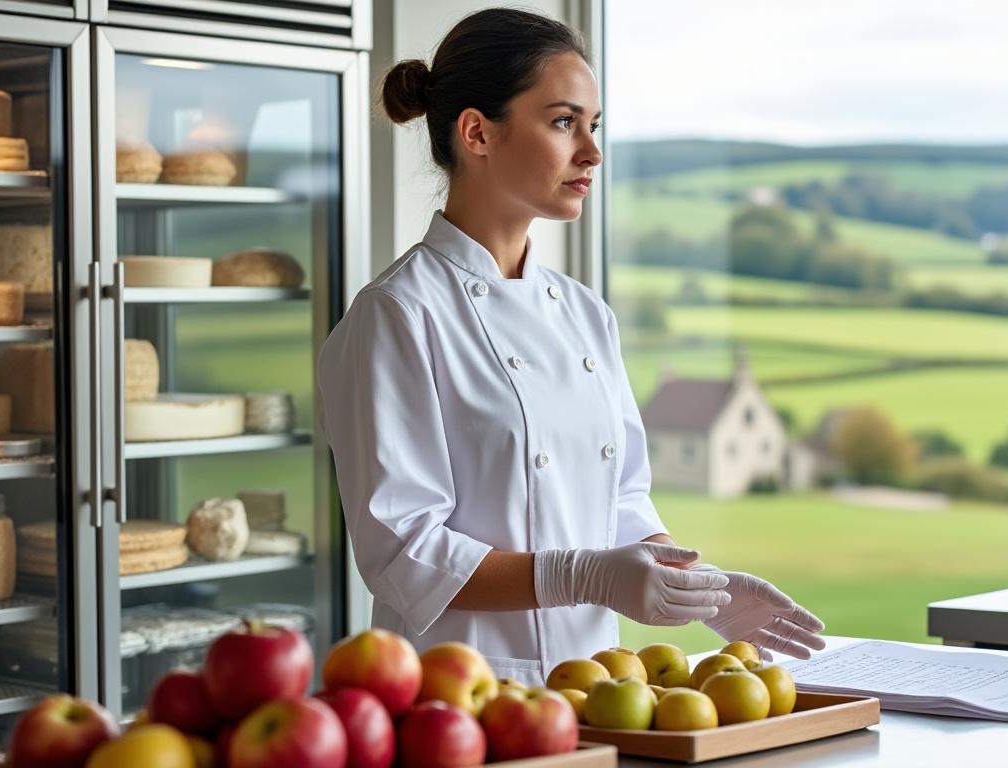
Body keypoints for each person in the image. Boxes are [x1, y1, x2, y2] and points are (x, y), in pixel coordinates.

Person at [318, 7, 824, 686]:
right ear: (477, 133)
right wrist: (584, 573)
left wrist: (701, 586)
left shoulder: (585, 315)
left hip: (596, 689)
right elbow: (407, 551)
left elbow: (621, 500)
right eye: (563, 122)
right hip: (456, 698)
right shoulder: (397, 316)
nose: (592, 152)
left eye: (595, 126)